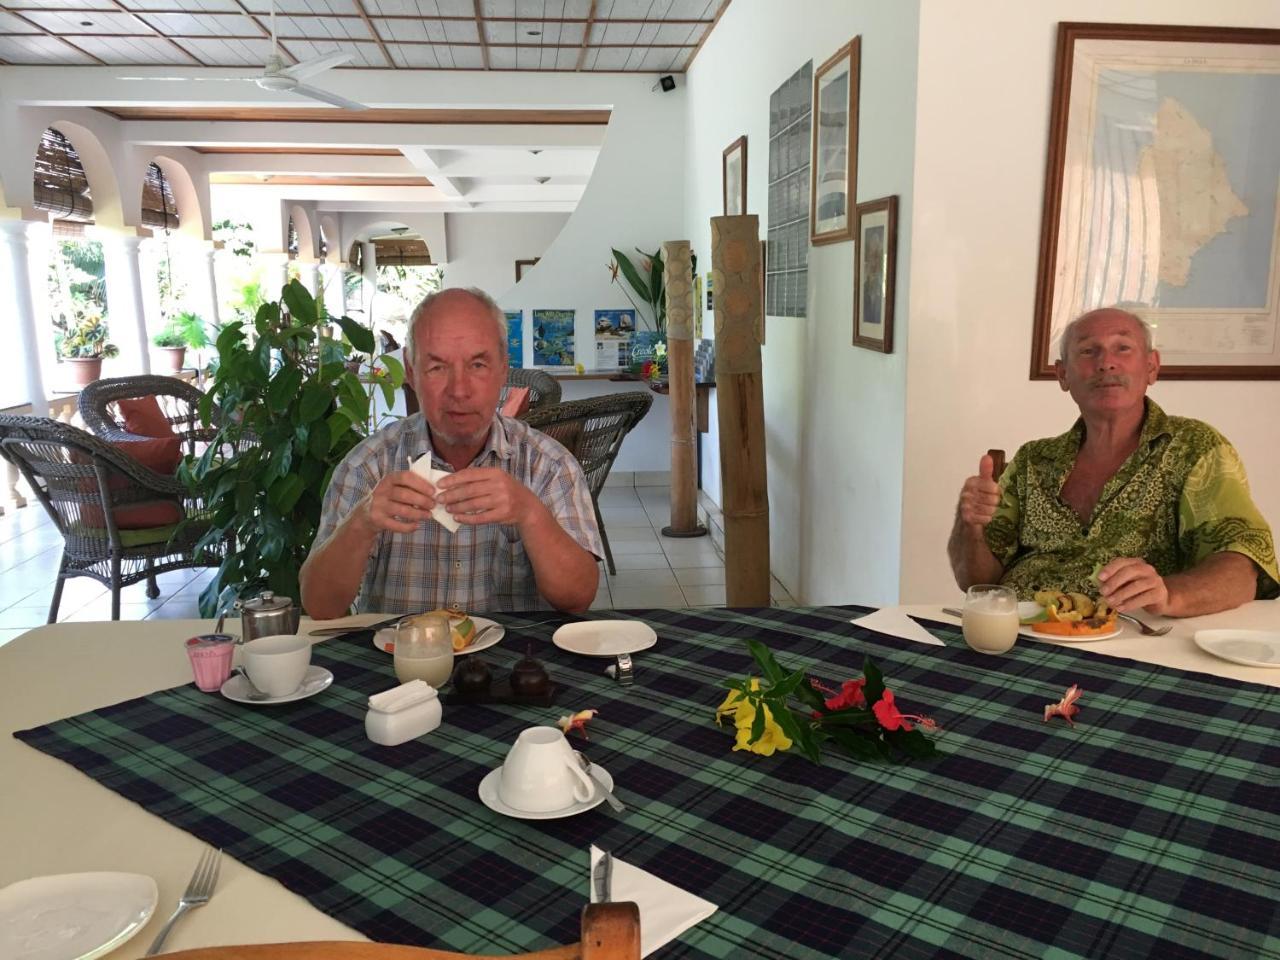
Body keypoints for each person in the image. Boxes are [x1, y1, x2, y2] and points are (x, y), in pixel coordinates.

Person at [948, 307, 1278, 617]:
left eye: (1122, 348)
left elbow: (1243, 564)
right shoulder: (1033, 460)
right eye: (1088, 351)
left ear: (1151, 367)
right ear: (1063, 375)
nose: (1106, 363)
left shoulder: (1194, 446)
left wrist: (1169, 594)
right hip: (1020, 631)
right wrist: (970, 524)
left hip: (1130, 638)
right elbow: (975, 582)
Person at [300, 287, 602, 618]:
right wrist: (363, 522)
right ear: (411, 372)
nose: (459, 390)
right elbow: (319, 606)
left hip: (514, 665)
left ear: (503, 369)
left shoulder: (550, 465)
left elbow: (578, 598)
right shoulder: (367, 466)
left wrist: (529, 513)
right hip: (398, 662)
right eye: (437, 367)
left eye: (477, 364)